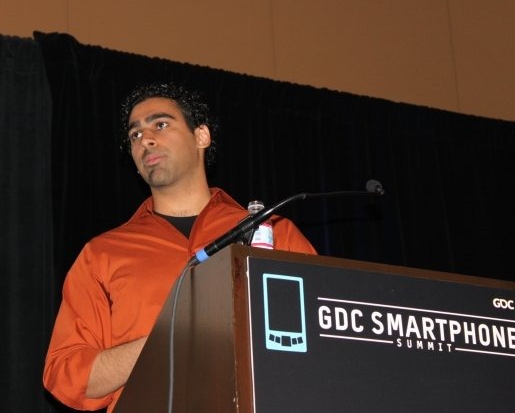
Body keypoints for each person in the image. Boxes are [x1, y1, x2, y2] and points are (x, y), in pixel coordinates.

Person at [42, 82, 317, 411]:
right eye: (135, 135)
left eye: (160, 124)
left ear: (201, 136)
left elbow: (323, 339)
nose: (145, 140)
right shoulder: (102, 254)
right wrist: (166, 343)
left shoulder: (273, 232)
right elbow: (66, 376)